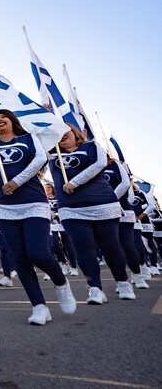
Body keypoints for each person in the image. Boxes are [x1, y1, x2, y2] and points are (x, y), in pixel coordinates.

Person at [0, 82, 76, 325]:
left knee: (38, 252)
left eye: (4, 116)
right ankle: (39, 306)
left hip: (33, 201)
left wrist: (16, 181)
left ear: (13, 121)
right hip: (4, 206)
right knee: (20, 258)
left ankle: (61, 282)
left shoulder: (30, 139)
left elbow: (39, 159)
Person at [49, 125, 134, 304]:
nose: (62, 134)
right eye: (57, 132)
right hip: (71, 208)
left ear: (75, 133)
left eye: (66, 130)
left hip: (102, 203)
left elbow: (100, 164)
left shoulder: (92, 147)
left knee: (110, 246)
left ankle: (123, 282)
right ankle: (95, 288)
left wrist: (75, 182)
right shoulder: (52, 153)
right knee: (83, 247)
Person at [103, 157, 148, 289]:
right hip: (100, 212)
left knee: (128, 245)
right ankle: (122, 281)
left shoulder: (114, 165)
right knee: (111, 248)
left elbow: (125, 186)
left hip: (121, 208)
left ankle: (137, 275)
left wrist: (109, 200)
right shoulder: (85, 166)